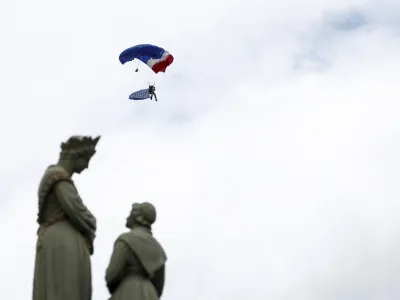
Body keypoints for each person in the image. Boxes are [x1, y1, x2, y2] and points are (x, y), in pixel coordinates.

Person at [32, 135, 100, 300]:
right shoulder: (59, 179)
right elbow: (78, 211)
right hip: (62, 243)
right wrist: (92, 222)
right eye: (86, 160)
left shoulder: (57, 178)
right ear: (76, 156)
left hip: (55, 240)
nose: (87, 167)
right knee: (62, 289)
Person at [105, 202, 167, 300]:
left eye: (130, 213)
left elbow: (112, 276)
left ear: (137, 217)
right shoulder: (159, 249)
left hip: (128, 292)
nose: (127, 217)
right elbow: (159, 286)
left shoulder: (125, 240)